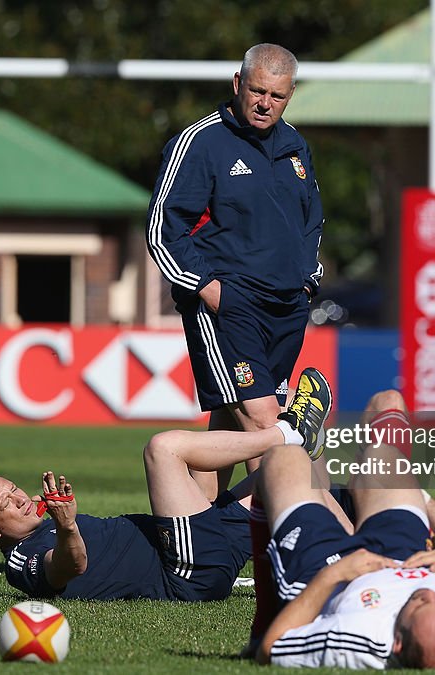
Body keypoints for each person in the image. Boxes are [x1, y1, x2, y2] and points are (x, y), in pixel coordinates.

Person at [0, 367, 332, 602]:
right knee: (163, 449)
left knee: (289, 470)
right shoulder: (19, 562)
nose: (18, 498)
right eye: (6, 504)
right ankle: (289, 432)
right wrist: (66, 526)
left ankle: (349, 550)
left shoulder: (41, 522)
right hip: (186, 572)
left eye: (12, 489)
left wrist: (56, 520)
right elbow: (68, 567)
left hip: (201, 550)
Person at [146, 43, 324, 499]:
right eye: (257, 91)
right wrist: (207, 288)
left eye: (278, 96)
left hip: (286, 305)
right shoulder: (200, 142)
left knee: (232, 422)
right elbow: (163, 228)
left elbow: (311, 221)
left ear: (291, 95)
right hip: (230, 306)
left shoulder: (294, 145)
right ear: (237, 84)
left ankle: (202, 542)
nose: (266, 103)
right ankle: (292, 543)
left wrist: (306, 281)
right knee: (268, 425)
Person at [251, 390, 435, 670]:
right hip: (407, 556)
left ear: (396, 642)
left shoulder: (360, 639)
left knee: (283, 457)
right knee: (383, 454)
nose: (429, 594)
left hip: (330, 575)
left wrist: (336, 574)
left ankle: (263, 621)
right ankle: (350, 497)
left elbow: (273, 648)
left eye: (422, 604)